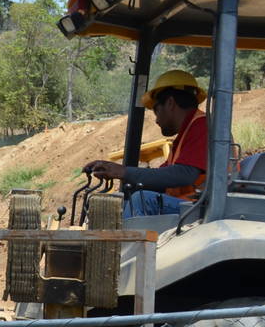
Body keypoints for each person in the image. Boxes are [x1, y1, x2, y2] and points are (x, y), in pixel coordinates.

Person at [84, 70, 208, 218]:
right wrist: (115, 172)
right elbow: (161, 178)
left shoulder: (202, 126)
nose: (156, 120)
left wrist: (124, 172)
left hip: (203, 208)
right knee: (121, 202)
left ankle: (127, 235)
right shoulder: (187, 135)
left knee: (141, 201)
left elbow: (184, 175)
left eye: (156, 110)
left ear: (170, 103)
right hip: (190, 205)